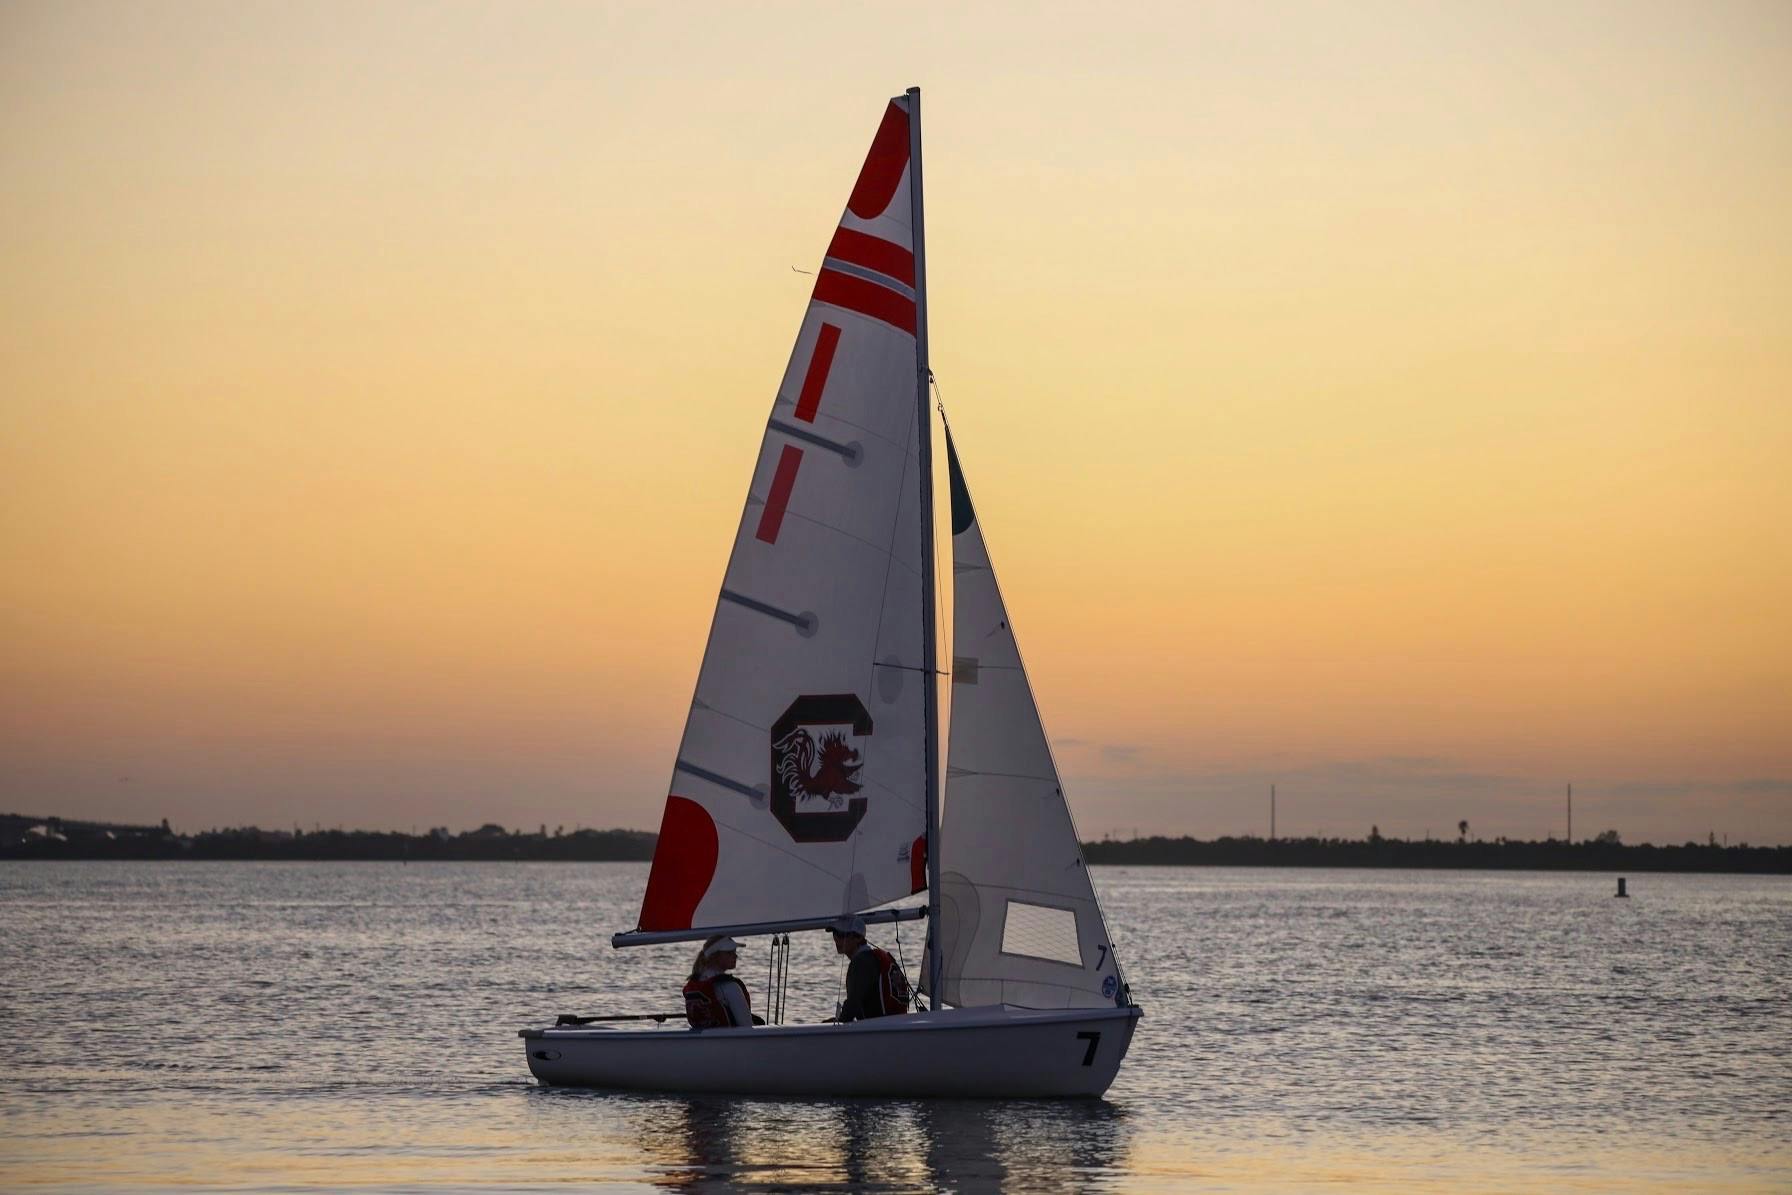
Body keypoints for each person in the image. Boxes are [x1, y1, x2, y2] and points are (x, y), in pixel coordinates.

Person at [829, 915, 912, 1022]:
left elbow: (853, 1003)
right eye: (834, 934)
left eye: (841, 935)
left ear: (858, 938)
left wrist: (840, 1021)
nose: (836, 939)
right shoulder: (876, 957)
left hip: (879, 1030)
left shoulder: (861, 962)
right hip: (896, 1025)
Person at [682, 935, 755, 1028]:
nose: (736, 956)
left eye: (734, 952)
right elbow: (747, 1026)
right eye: (729, 953)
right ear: (715, 956)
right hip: (730, 1041)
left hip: (703, 1041)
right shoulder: (729, 986)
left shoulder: (695, 983)